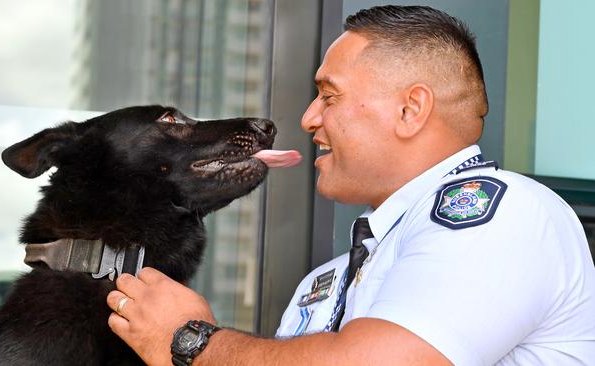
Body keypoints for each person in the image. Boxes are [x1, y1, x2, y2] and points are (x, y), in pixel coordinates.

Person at [106, 5, 595, 365]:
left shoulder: (503, 215)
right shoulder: (328, 280)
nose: (308, 119)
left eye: (329, 96)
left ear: (410, 110)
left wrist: (190, 341)